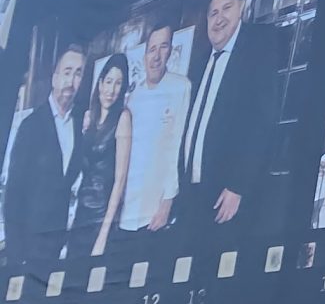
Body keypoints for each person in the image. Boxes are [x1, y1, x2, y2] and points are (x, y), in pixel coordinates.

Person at [174, 0, 286, 235]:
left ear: (242, 6)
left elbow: (262, 120)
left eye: (227, 8)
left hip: (229, 196)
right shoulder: (200, 63)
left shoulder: (258, 47)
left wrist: (238, 186)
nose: (219, 18)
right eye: (213, 13)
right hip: (192, 196)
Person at [2, 45, 85, 275]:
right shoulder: (30, 126)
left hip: (59, 247)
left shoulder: (80, 124)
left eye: (78, 73)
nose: (71, 81)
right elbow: (13, 196)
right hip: (28, 247)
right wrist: (16, 256)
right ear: (55, 78)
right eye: (67, 72)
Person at [122, 23, 189, 237]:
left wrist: (167, 202)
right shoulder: (133, 97)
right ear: (145, 55)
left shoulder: (181, 87)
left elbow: (177, 147)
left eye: (163, 47)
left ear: (170, 51)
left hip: (155, 212)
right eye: (152, 49)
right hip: (125, 209)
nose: (156, 56)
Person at [66, 51, 132, 261]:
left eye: (118, 83)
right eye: (109, 81)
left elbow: (120, 180)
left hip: (101, 216)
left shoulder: (123, 117)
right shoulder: (89, 117)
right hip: (81, 214)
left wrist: (103, 234)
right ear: (101, 83)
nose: (111, 90)